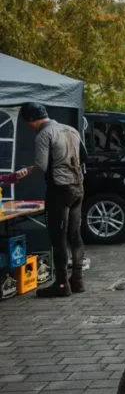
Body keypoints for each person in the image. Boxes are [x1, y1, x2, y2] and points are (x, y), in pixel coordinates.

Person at [5, 103, 87, 298]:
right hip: (78, 187)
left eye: (28, 124)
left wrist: (27, 170)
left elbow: (41, 167)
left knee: (58, 238)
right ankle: (77, 280)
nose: (29, 127)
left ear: (31, 120)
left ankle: (61, 284)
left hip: (59, 189)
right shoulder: (71, 130)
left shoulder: (44, 134)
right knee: (75, 236)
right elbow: (84, 156)